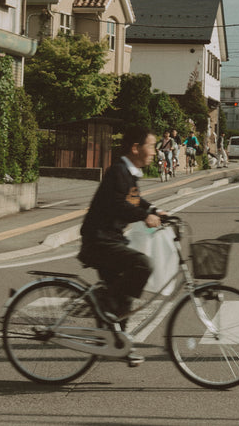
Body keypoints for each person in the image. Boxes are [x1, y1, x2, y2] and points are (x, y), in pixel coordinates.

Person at [78, 126, 162, 330]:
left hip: (109, 239)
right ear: (135, 148)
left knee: (124, 294)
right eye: (151, 146)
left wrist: (153, 209)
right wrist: (145, 216)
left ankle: (117, 341)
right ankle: (104, 303)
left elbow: (133, 199)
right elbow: (118, 204)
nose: (154, 152)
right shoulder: (118, 171)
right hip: (99, 241)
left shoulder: (128, 172)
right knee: (142, 265)